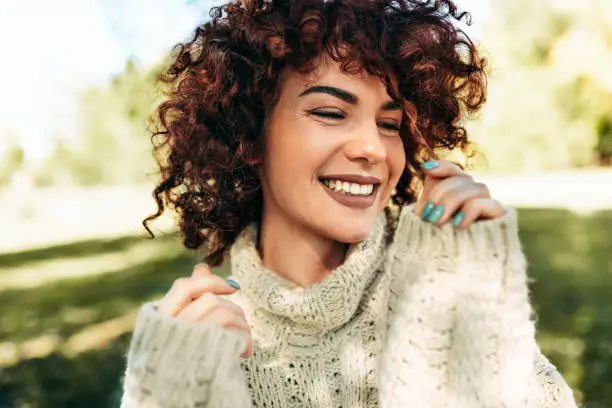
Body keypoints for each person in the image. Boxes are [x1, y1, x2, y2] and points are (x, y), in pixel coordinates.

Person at [120, 0, 578, 407]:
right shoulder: (200, 340)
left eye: (389, 123)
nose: (374, 150)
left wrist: (474, 306)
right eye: (330, 113)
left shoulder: (439, 277)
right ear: (249, 135)